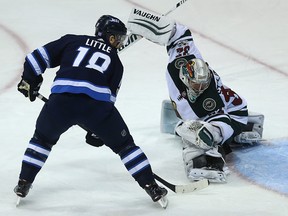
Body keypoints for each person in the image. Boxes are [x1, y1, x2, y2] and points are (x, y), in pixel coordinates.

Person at [14, 15, 167, 205]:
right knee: (126, 146)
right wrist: (97, 130)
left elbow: (35, 58)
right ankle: (152, 187)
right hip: (96, 108)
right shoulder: (117, 63)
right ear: (109, 36)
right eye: (117, 37)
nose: (119, 43)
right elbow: (108, 102)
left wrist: (31, 79)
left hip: (60, 102)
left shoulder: (73, 40)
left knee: (42, 140)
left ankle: (23, 182)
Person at [127, 14, 263, 182]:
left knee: (194, 132)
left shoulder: (208, 100)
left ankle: (206, 158)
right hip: (218, 109)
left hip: (235, 115)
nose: (201, 88)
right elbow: (179, 33)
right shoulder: (182, 59)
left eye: (204, 85)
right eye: (197, 85)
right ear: (185, 77)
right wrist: (148, 24)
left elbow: (222, 123)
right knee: (189, 126)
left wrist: (208, 135)